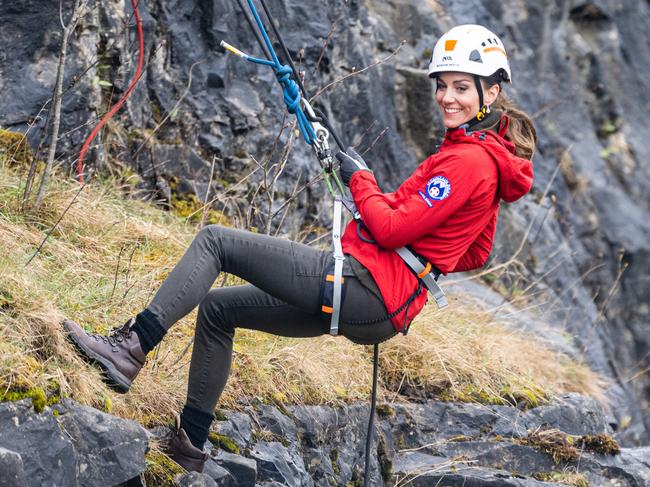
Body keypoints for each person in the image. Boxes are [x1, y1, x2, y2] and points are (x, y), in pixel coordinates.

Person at [63, 24, 535, 473]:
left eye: (462, 88)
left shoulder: (469, 160)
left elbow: (391, 228)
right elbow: (477, 252)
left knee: (215, 242)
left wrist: (362, 180)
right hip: (379, 303)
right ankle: (188, 448)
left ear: (490, 93)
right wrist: (421, 249)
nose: (447, 98)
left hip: (366, 286)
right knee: (218, 311)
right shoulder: (484, 157)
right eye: (443, 85)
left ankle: (130, 347)